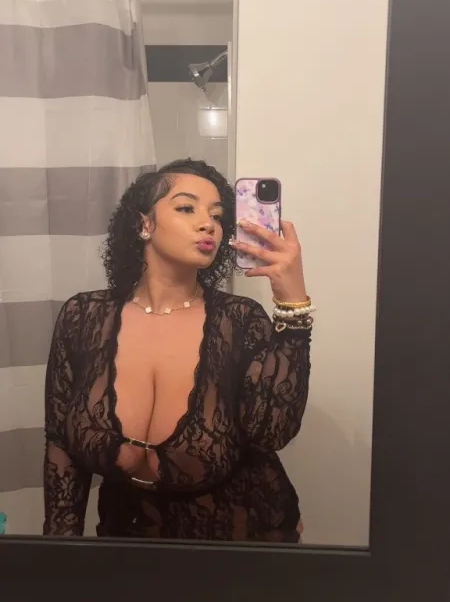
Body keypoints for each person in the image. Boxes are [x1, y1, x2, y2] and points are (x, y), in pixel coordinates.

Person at [43, 158, 313, 542]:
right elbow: (61, 442)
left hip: (239, 539)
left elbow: (273, 432)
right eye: (187, 208)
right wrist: (59, 547)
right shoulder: (83, 316)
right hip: (125, 537)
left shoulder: (239, 321)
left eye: (217, 216)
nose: (208, 225)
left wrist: (293, 303)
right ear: (144, 223)